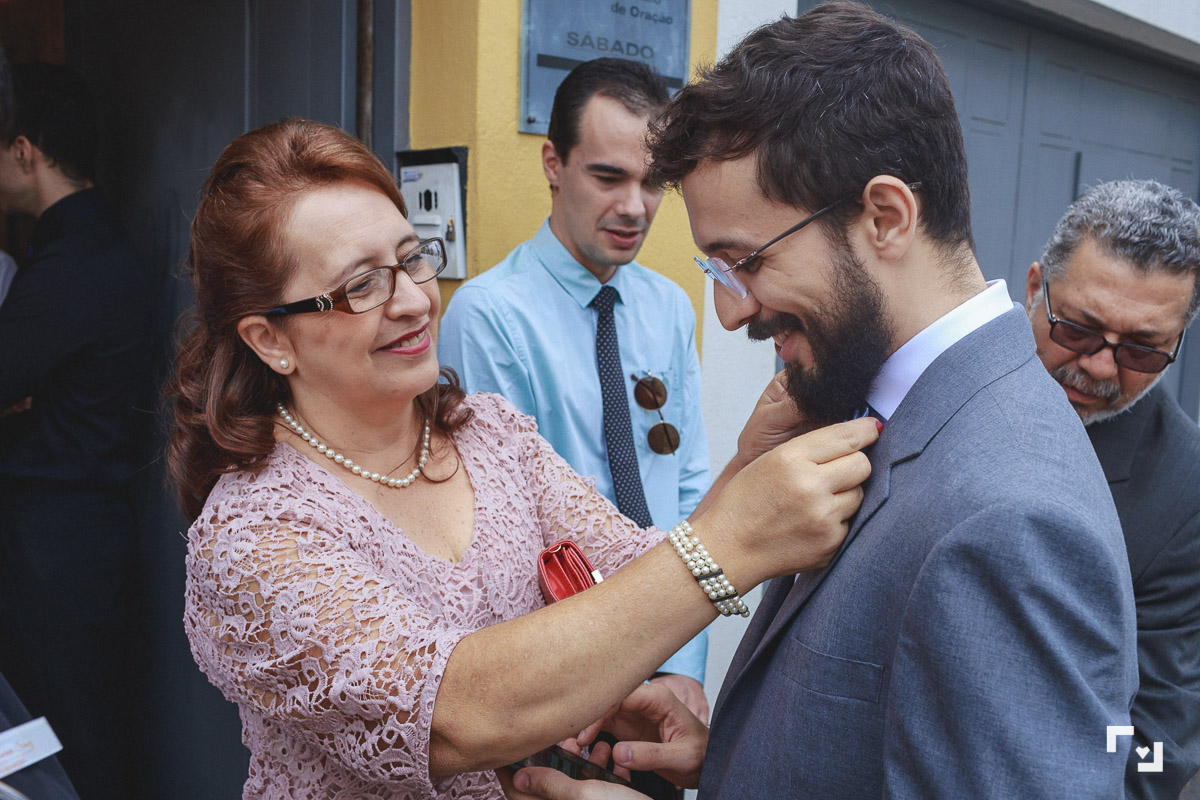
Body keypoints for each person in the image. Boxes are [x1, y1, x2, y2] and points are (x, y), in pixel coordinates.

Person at [513, 4, 1137, 798]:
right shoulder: (878, 413)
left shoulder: (1009, 518)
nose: (734, 311)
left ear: (885, 217)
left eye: (746, 262)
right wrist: (740, 753)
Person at [168, 117, 879, 800]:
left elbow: (637, 570)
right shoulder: (253, 535)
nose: (415, 301)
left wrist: (746, 465)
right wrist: (740, 536)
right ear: (269, 340)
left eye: (413, 259)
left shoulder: (488, 435)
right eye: (361, 285)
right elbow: (454, 713)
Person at [437, 59, 711, 738]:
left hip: (667, 653)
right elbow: (506, 529)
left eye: (652, 183)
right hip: (559, 678)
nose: (634, 207)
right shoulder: (489, 315)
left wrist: (684, 664)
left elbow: (687, 483)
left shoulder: (669, 307)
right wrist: (587, 683)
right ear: (553, 163)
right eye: (608, 176)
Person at [0, 62, 153, 800]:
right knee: (77, 725)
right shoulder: (97, 247)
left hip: (53, 552)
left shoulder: (67, 265)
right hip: (84, 539)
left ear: (24, 150)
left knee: (59, 735)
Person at [1023, 179, 1200, 799]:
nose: (1100, 366)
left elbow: (1155, 741)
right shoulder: (929, 368)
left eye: (1144, 352)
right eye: (1078, 329)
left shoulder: (1185, 492)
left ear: (1177, 342)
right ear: (1034, 288)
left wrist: (1092, 757)